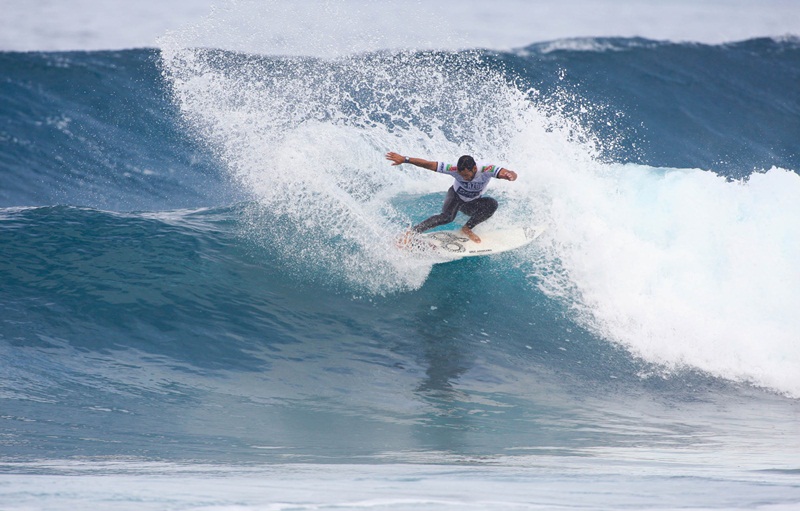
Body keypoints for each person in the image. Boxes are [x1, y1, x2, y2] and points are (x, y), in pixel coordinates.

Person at [385, 151, 518, 243]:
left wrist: (510, 175)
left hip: (471, 203)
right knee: (447, 217)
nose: (464, 178)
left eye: (467, 175)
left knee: (492, 204)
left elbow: (505, 172)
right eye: (462, 175)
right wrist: (405, 159)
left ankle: (467, 228)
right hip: (456, 197)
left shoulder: (486, 169)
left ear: (474, 168)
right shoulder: (453, 169)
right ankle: (411, 233)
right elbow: (429, 164)